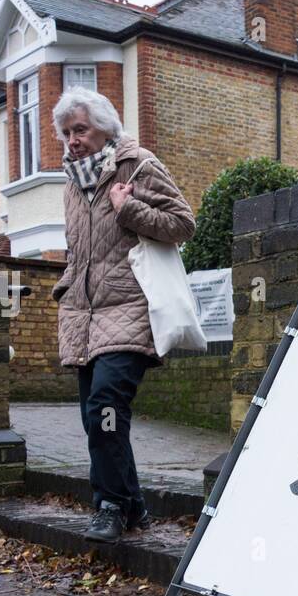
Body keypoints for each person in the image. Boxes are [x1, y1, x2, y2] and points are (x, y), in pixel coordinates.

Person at [50, 87, 195, 543]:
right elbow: (82, 252)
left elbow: (183, 223)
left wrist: (127, 207)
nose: (72, 139)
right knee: (99, 418)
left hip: (130, 310)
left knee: (106, 407)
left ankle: (109, 505)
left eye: (81, 129)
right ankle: (134, 508)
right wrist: (68, 283)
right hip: (84, 318)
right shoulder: (74, 182)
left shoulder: (138, 165)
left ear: (105, 127)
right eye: (66, 132)